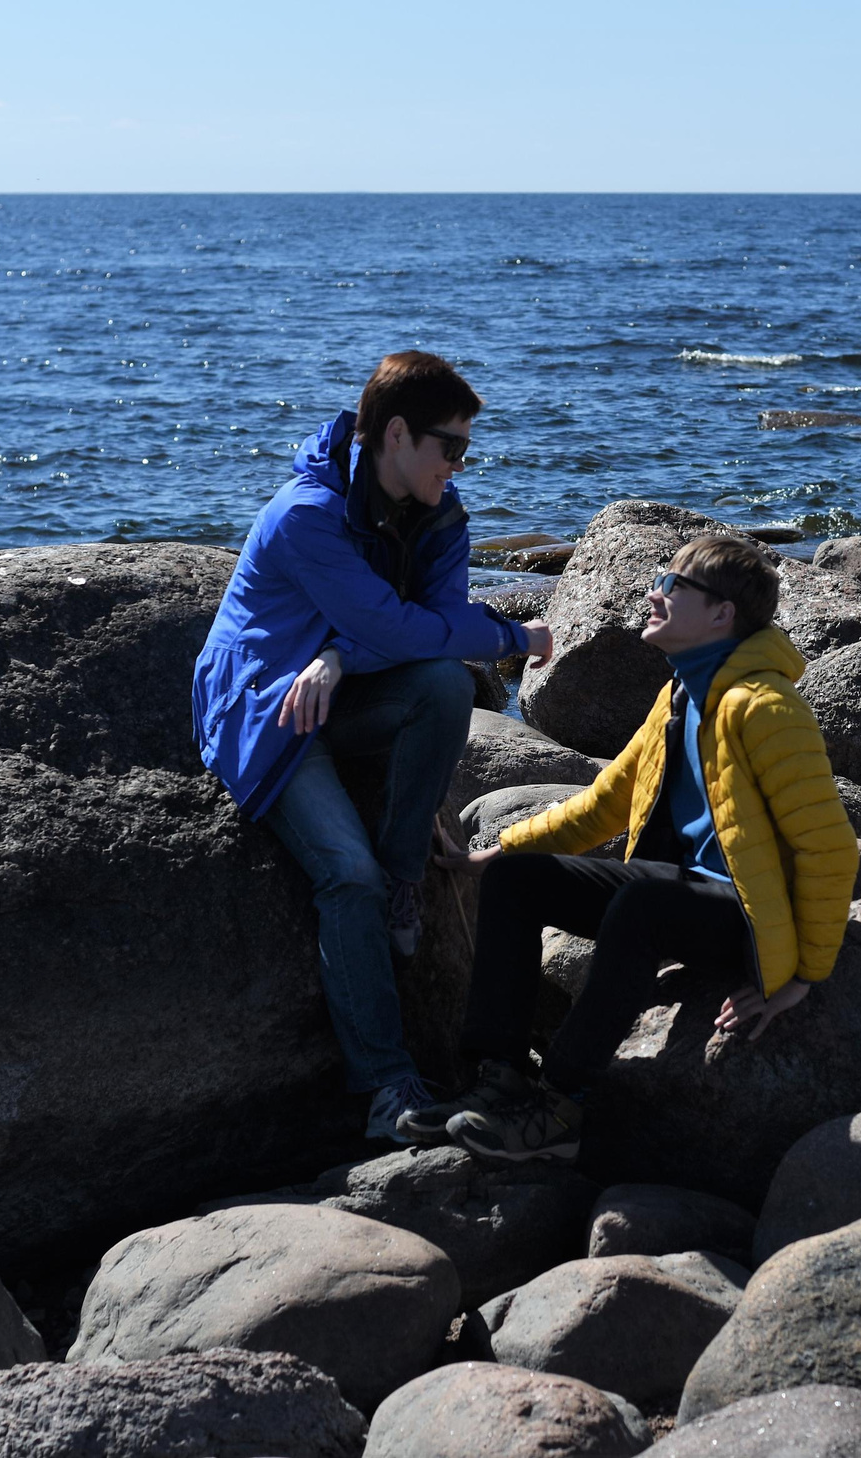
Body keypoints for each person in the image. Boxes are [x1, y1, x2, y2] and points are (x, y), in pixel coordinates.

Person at [404, 531, 858, 1161]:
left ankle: (561, 1105)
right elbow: (604, 804)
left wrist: (802, 977)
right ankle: (498, 1080)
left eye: (673, 585)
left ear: (722, 614)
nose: (654, 594)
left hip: (741, 913)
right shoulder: (677, 696)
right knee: (517, 881)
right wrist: (502, 849)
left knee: (641, 903)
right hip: (674, 891)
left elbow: (830, 848)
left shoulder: (767, 710)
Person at [193, 351, 552, 1143]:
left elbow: (425, 633)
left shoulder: (437, 513)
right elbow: (409, 626)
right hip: (264, 706)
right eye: (449, 446)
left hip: (338, 683)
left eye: (465, 450)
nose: (459, 465)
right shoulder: (306, 515)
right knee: (343, 874)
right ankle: (389, 1089)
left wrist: (341, 654)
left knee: (445, 687)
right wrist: (512, 633)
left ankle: (404, 880)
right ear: (396, 434)